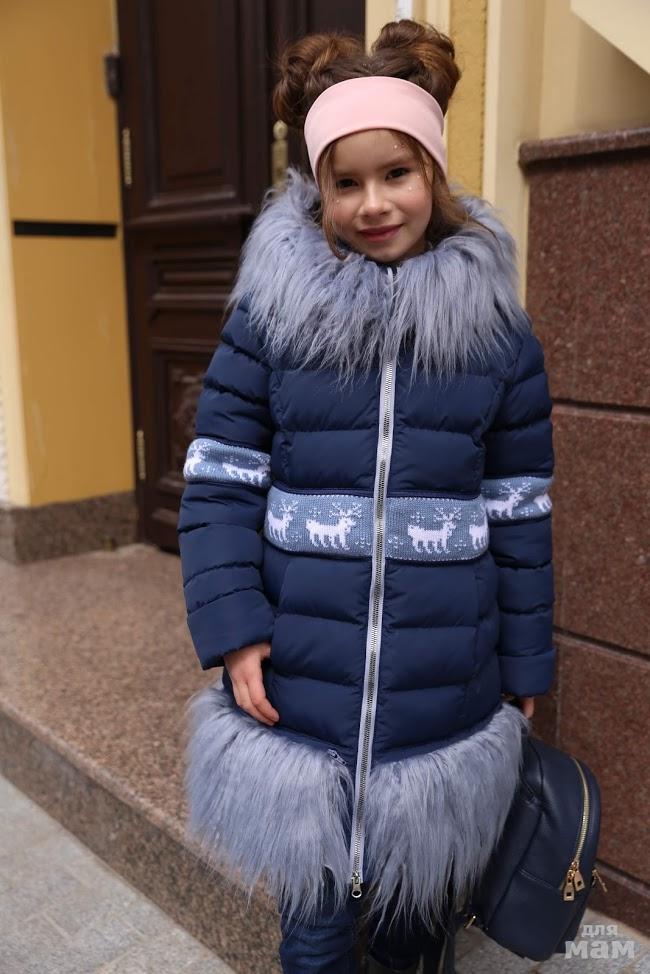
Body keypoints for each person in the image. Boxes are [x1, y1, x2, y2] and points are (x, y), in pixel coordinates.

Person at [178, 18, 555, 974]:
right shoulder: (270, 323)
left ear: (435, 172)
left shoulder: (499, 340)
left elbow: (519, 513)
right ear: (318, 189)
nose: (375, 203)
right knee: (313, 936)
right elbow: (219, 483)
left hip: (445, 695)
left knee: (414, 930)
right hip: (300, 694)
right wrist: (235, 630)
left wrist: (525, 660)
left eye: (398, 173)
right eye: (346, 182)